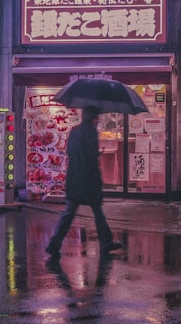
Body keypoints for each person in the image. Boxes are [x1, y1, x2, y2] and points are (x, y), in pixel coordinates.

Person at [45, 106, 124, 257]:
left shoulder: (74, 131)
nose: (98, 120)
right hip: (88, 180)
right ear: (94, 119)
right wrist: (97, 178)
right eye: (97, 118)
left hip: (74, 178)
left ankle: (54, 244)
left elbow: (71, 152)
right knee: (98, 212)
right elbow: (91, 158)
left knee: (69, 213)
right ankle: (106, 243)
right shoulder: (91, 133)